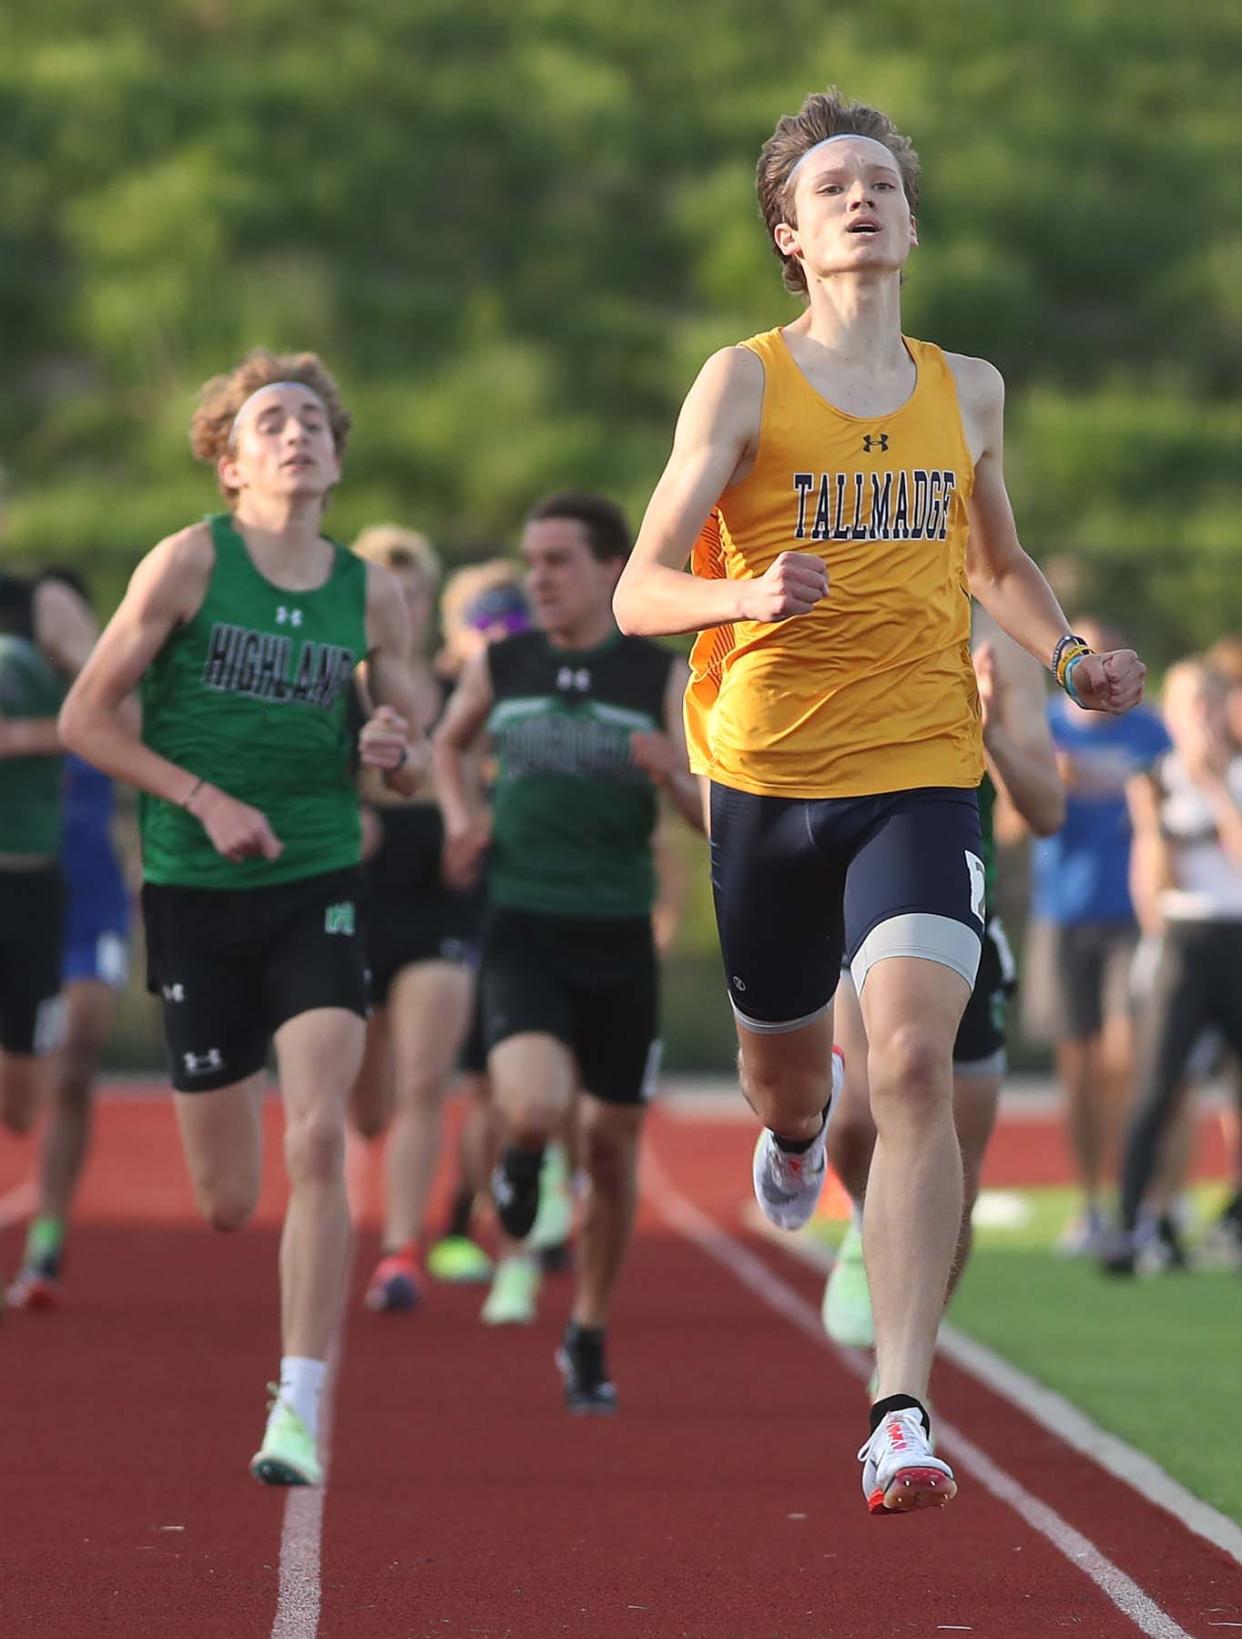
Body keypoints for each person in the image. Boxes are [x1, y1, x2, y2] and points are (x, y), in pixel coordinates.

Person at [611, 87, 1145, 1514]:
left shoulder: (962, 385)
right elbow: (636, 586)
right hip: (764, 776)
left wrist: (1070, 652)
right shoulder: (738, 383)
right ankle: (792, 1140)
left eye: (882, 184)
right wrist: (741, 586)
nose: (861, 199)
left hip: (916, 769)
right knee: (790, 1074)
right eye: (831, 186)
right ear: (788, 233)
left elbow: (999, 561)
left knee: (910, 1067)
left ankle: (898, 1407)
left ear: (909, 221)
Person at [58, 351, 428, 1484]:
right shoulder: (185, 562)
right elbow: (86, 718)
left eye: (313, 419)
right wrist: (203, 797)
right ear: (229, 461)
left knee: (315, 1134)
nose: (295, 435)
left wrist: (392, 748)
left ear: (334, 452)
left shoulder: (372, 591)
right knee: (226, 1199)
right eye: (270, 420)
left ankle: (301, 1401)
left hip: (316, 880)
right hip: (192, 888)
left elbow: (407, 747)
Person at [434, 490, 704, 1412]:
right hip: (523, 922)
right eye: (530, 560)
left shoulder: (656, 676)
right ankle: (517, 1158)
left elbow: (717, 816)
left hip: (619, 935)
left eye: (555, 560)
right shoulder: (504, 663)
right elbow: (446, 745)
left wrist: (676, 776)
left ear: (608, 570)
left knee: (614, 1147)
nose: (536, 578)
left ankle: (588, 1326)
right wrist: (464, 818)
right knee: (538, 1101)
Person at [822, 620, 1064, 1351]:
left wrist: (984, 729)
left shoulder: (1001, 647)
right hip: (855, 888)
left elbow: (1045, 810)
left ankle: (906, 1366)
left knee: (953, 1148)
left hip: (959, 900)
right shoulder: (853, 593)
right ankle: (872, 1218)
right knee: (854, 1120)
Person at [347, 526, 497, 1313]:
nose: (399, 603)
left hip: (441, 890)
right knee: (366, 1101)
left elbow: (482, 771)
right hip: (361, 889)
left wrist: (469, 823)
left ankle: (401, 1248)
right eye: (386, 590)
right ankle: (382, 1203)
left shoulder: (459, 682)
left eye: (412, 591)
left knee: (426, 1077)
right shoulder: (342, 681)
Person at [1023, 616, 1171, 1256]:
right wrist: (1046, 776)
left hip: (1130, 914)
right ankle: (1087, 1202)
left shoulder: (1148, 728)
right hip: (1062, 913)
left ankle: (1130, 1197)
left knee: (1124, 1057)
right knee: (1078, 1068)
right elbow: (1011, 819)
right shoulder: (1045, 727)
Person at [8, 569, 133, 1310]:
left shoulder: (110, 705)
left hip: (93, 903)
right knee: (21, 1095)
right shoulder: (16, 685)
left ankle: (47, 1239)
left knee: (80, 1061)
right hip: (23, 896)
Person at [1103, 659, 1242, 1273]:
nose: (1202, 718)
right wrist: (1153, 822)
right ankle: (1131, 1222)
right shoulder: (1154, 780)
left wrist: (1215, 787)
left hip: (1236, 936)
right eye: (1190, 706)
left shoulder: (1236, 776)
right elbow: (1153, 891)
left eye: (1211, 704)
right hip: (1184, 944)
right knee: (1156, 1088)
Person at [424, 561, 537, 1288]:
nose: (494, 636)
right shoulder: (438, 697)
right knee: (477, 1084)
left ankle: (521, 1208)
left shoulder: (538, 690)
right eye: (479, 623)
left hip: (538, 903)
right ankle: (462, 1214)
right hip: (460, 910)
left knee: (520, 1083)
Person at [0, 497, 99, 1151]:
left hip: (25, 874)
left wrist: (22, 735)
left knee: (21, 1102)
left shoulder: (42, 607)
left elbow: (122, 716)